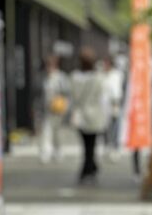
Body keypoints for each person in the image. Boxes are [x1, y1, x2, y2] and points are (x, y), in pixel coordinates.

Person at [70, 47, 109, 184]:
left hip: (81, 115)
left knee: (86, 145)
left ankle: (89, 168)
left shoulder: (75, 77)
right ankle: (90, 168)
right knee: (91, 145)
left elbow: (73, 97)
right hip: (95, 115)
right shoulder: (99, 78)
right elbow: (102, 98)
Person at [40, 54, 70, 163]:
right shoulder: (45, 77)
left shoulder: (60, 77)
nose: (48, 68)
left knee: (58, 131)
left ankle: (58, 151)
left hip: (58, 108)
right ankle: (46, 152)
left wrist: (65, 106)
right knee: (47, 130)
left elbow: (66, 93)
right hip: (47, 109)